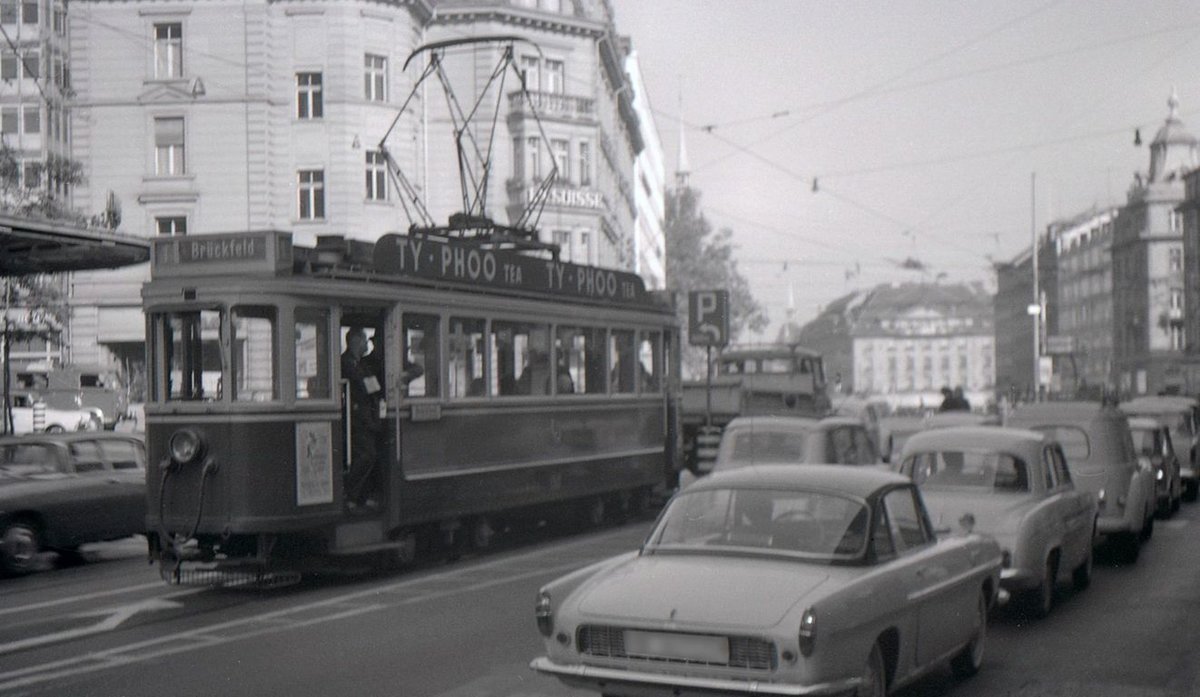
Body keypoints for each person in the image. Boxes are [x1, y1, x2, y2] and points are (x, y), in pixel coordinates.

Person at [342, 326, 381, 510]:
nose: (367, 343)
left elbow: (373, 386)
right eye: (364, 339)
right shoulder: (346, 362)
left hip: (368, 417)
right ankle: (350, 495)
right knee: (367, 455)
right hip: (356, 419)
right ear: (355, 341)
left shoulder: (361, 364)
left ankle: (361, 497)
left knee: (370, 456)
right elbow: (362, 384)